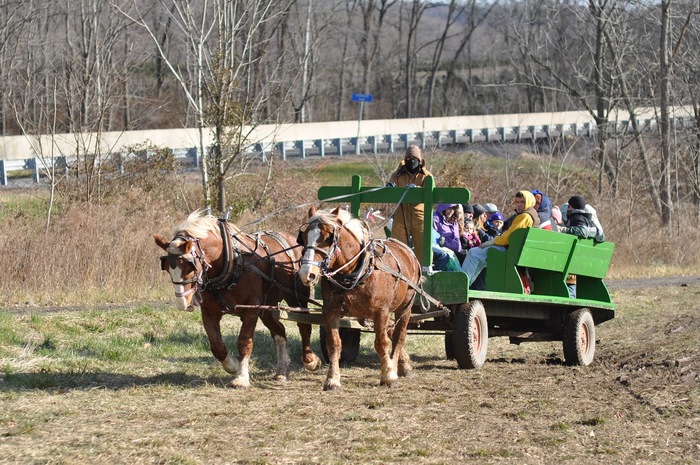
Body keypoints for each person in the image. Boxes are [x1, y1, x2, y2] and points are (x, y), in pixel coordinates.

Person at [461, 190, 540, 288]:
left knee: (473, 253)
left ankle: (461, 286)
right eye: (518, 202)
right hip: (515, 252)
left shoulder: (525, 216)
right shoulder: (533, 215)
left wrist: (493, 241)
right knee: (479, 260)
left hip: (508, 252)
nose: (519, 205)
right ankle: (465, 286)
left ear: (529, 202)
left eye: (523, 202)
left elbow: (508, 237)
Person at [387, 145, 433, 265]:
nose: (411, 161)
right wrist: (390, 188)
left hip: (420, 217)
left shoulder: (427, 176)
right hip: (401, 216)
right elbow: (390, 188)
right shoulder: (397, 174)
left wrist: (417, 190)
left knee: (423, 248)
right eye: (409, 159)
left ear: (419, 160)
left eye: (414, 159)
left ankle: (424, 272)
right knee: (397, 247)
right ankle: (399, 270)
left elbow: (431, 193)